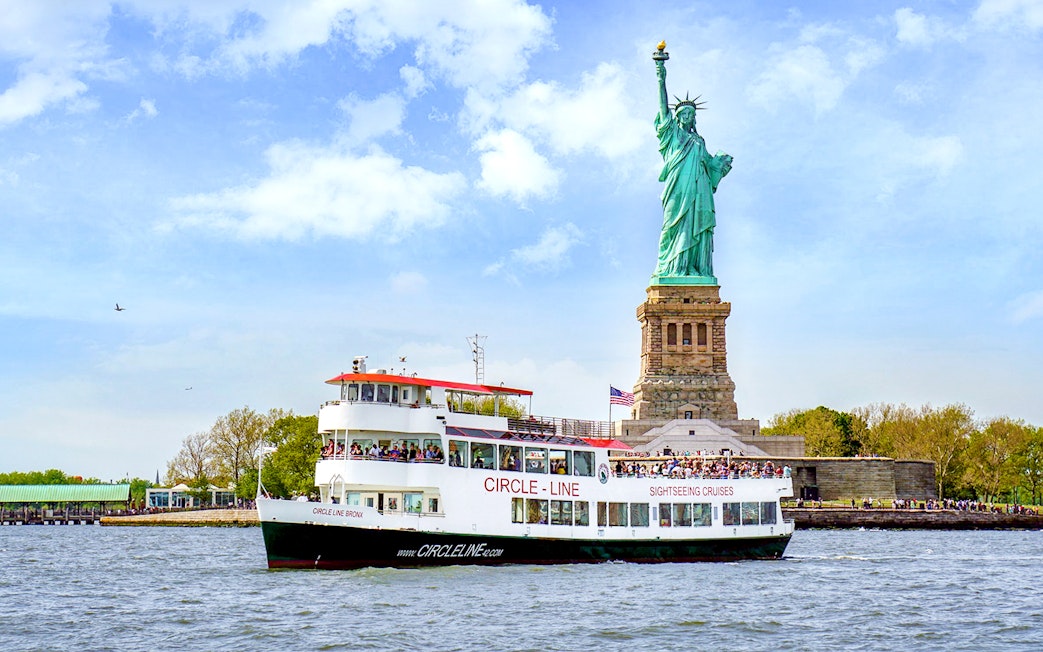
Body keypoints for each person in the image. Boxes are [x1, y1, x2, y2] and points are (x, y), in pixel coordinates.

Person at [652, 49, 733, 280]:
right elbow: (662, 107)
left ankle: (695, 269)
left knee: (698, 226)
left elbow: (711, 167)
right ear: (677, 117)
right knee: (672, 227)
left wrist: (721, 164)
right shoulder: (672, 136)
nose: (687, 116)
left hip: (699, 192)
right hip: (677, 188)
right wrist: (660, 74)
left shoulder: (699, 141)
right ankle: (672, 268)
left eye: (690, 113)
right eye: (683, 112)